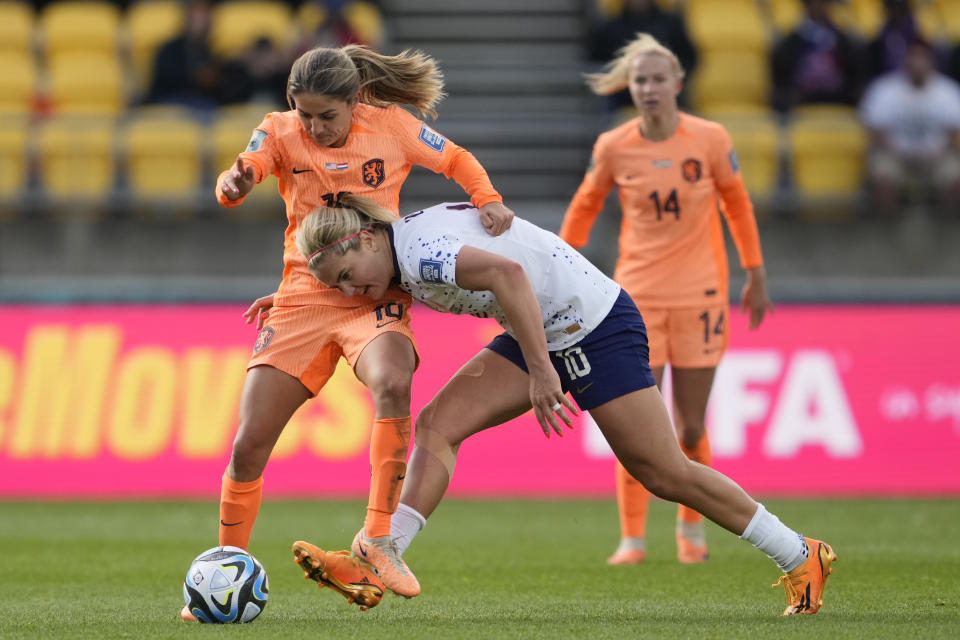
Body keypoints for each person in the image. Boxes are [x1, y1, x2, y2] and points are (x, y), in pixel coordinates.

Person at [285, 194, 837, 616]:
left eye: (348, 279)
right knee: (438, 423)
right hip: (543, 329)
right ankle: (379, 556)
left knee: (665, 473)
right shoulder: (397, 253)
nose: (356, 294)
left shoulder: (422, 255)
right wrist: (289, 300)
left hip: (594, 326)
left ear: (365, 239)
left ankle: (800, 553)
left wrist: (543, 372)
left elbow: (509, 274)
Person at [180, 43, 514, 622]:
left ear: (355, 102)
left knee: (393, 381)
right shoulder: (279, 132)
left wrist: (488, 200)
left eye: (326, 116)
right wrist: (232, 186)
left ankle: (378, 541)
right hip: (302, 298)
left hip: (372, 294)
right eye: (305, 114)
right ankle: (226, 567)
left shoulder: (391, 127)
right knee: (248, 443)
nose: (314, 126)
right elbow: (241, 174)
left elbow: (456, 159)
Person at [557, 33, 774, 566]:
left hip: (701, 295)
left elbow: (738, 205)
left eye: (658, 80)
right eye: (640, 81)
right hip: (636, 301)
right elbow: (583, 210)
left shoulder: (710, 138)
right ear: (630, 88)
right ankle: (632, 539)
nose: (649, 89)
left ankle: (691, 532)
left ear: (678, 84)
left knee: (692, 426)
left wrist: (755, 272)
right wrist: (559, 271)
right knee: (636, 430)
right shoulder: (614, 146)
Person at [860, 37, 960, 213]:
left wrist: (934, 153)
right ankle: (889, 232)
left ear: (931, 61)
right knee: (882, 176)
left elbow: (952, 134)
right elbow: (876, 133)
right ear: (905, 60)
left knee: (955, 179)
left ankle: (946, 235)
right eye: (914, 57)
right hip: (895, 155)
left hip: (937, 157)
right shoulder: (884, 89)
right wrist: (901, 152)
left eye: (923, 57)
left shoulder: (948, 91)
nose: (918, 63)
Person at [588, 0, 698, 112]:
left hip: (667, 101)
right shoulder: (609, 29)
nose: (648, 89)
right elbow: (597, 64)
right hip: (620, 104)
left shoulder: (671, 24)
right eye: (640, 80)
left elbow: (689, 59)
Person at [771, 0, 864, 113]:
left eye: (825, 3)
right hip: (802, 106)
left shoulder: (843, 41)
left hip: (839, 103)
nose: (822, 7)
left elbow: (855, 75)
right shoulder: (790, 43)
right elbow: (781, 78)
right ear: (807, 5)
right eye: (817, 3)